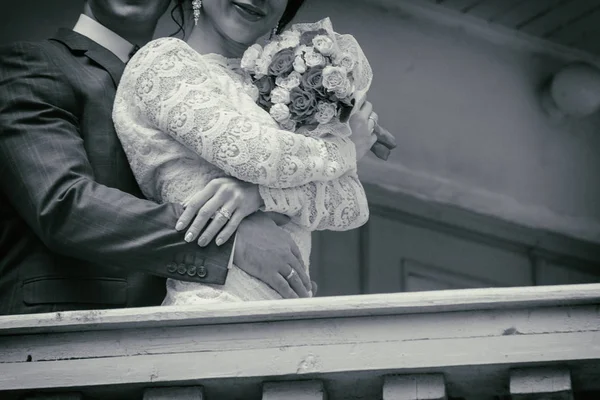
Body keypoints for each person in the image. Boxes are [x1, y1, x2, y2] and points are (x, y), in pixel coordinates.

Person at [0, 0, 311, 315]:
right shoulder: (33, 63)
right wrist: (229, 237)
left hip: (172, 318)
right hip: (64, 329)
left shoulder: (192, 80)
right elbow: (63, 205)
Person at [113, 0, 392, 304]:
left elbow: (352, 203)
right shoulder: (163, 61)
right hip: (214, 303)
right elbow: (253, 156)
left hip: (289, 314)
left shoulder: (277, 88)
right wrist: (346, 147)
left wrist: (260, 197)